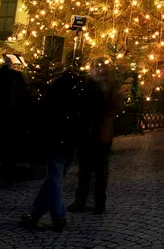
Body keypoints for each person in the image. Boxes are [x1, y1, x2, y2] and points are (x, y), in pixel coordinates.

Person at [22, 68, 88, 233]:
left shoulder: (54, 98)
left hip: (57, 142)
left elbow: (43, 119)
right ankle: (36, 214)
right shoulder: (79, 97)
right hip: (69, 142)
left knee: (54, 179)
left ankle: (56, 216)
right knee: (54, 179)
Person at [67, 61, 121, 214]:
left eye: (99, 66)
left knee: (90, 169)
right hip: (101, 132)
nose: (96, 69)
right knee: (96, 169)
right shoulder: (108, 85)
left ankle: (85, 202)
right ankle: (95, 202)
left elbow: (95, 108)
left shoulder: (100, 87)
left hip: (96, 132)